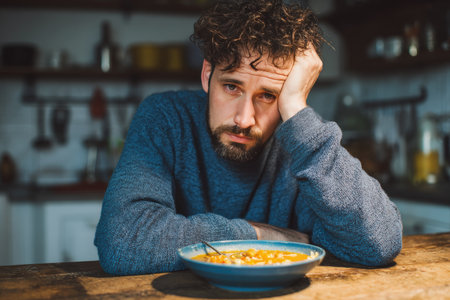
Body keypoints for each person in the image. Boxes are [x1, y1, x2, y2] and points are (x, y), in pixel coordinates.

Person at [94, 0, 403, 275]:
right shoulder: (164, 118)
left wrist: (296, 108)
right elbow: (123, 241)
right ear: (207, 75)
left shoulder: (302, 139)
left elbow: (379, 242)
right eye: (232, 87)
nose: (244, 119)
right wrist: (259, 234)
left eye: (268, 96)